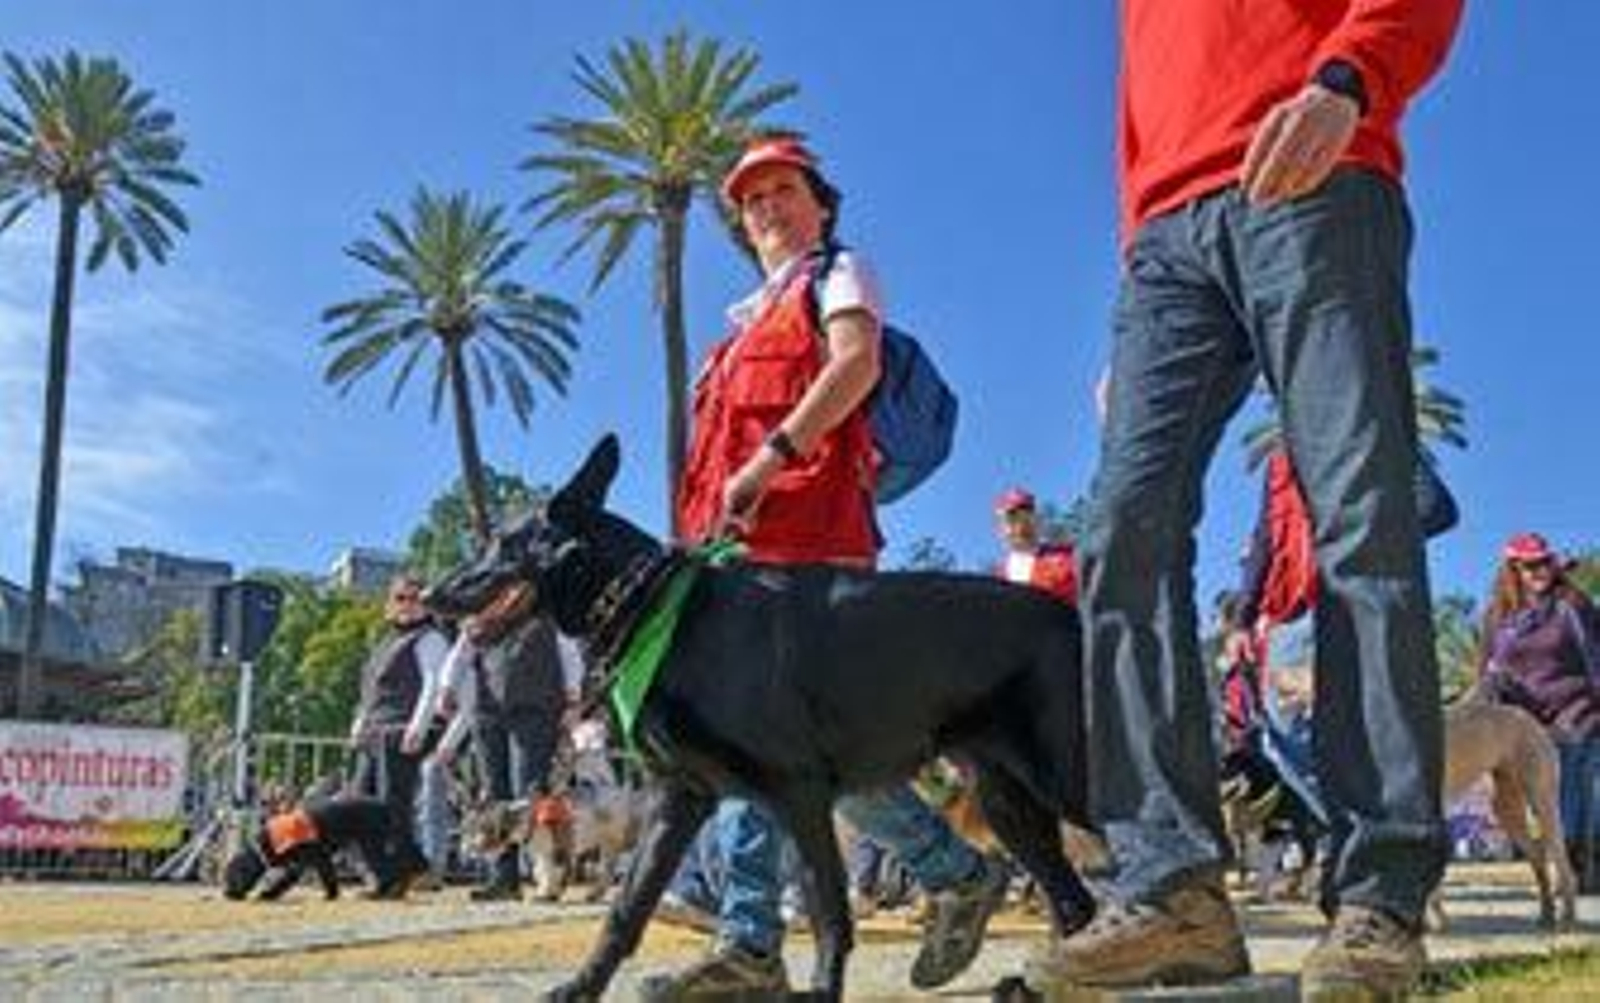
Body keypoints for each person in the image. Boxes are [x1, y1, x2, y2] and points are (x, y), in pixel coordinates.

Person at [1039, 3, 1466, 997]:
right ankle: (1171, 890)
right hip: (1163, 242)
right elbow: (1145, 100)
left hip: (1315, 170)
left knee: (1359, 516)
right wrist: (1138, 281)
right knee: (1119, 530)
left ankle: (1379, 897)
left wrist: (1347, 80)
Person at [658, 135, 1008, 998]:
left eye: (782, 190)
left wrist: (773, 457)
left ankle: (750, 943)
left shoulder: (840, 274)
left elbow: (857, 365)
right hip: (736, 560)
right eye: (750, 201)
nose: (766, 209)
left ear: (820, 202)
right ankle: (956, 872)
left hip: (813, 550)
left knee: (760, 742)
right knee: (812, 760)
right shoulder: (736, 332)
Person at [409, 582, 572, 902]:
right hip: (489, 712)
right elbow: (459, 654)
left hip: (535, 709)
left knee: (530, 796)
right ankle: (504, 879)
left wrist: (574, 693)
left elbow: (567, 651)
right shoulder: (479, 620)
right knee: (495, 797)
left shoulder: (545, 614)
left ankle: (547, 877)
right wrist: (447, 688)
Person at [1479, 532, 1600, 874]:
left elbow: (1595, 656)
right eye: (1529, 566)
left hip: (1578, 712)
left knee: (1575, 790)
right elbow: (1488, 672)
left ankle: (1581, 868)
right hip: (1527, 723)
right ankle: (1573, 864)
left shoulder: (1571, 603)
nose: (1539, 571)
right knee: (1545, 799)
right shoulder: (1497, 617)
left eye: (1545, 562)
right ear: (1512, 570)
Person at [348, 573, 450, 855]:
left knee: (393, 803)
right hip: (375, 732)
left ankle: (401, 867)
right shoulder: (384, 642)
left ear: (427, 604)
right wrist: (359, 721)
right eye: (400, 598)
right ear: (390, 603)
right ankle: (376, 868)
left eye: (414, 598)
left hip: (402, 731)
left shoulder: (430, 638)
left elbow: (433, 684)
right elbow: (369, 691)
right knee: (360, 799)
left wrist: (418, 726)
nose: (407, 604)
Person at [993, 487, 1078, 605]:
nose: (1020, 528)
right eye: (1011, 520)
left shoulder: (1067, 559)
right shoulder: (997, 583)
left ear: (1036, 520)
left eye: (1025, 519)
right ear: (1000, 529)